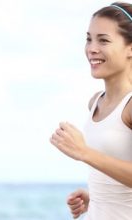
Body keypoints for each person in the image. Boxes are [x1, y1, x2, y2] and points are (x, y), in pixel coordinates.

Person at [50, 2, 132, 220]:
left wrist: (83, 152)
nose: (92, 48)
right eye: (89, 39)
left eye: (103, 40)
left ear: (130, 48)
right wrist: (96, 197)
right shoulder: (95, 101)